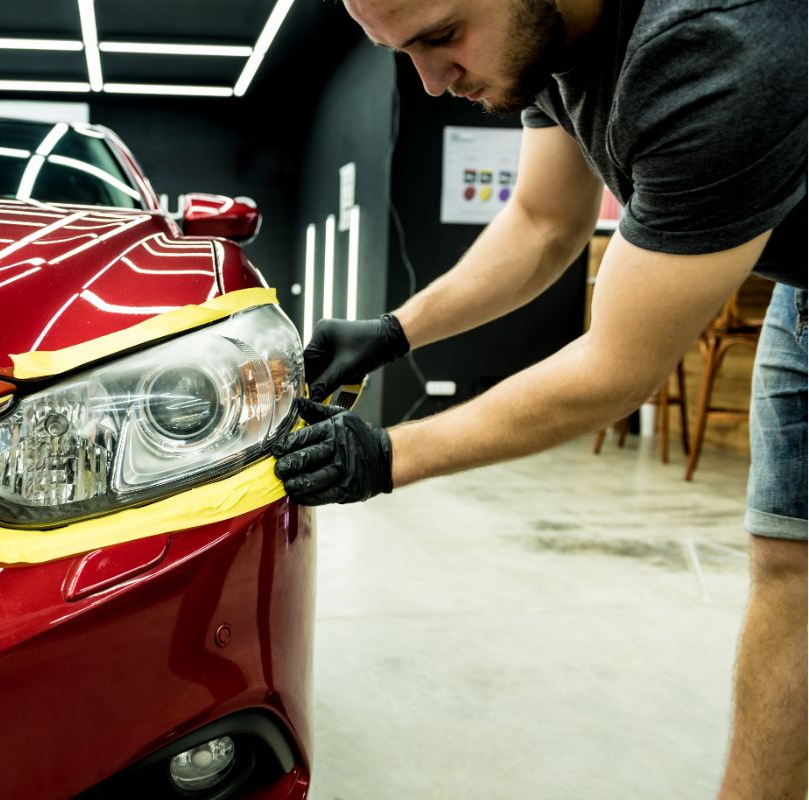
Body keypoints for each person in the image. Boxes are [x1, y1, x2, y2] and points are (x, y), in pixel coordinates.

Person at [273, 0, 807, 796]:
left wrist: (389, 454)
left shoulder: (708, 50)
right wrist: (392, 331)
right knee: (790, 561)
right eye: (401, 52)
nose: (428, 82)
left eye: (441, 37)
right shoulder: (551, 41)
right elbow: (542, 222)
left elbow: (615, 367)